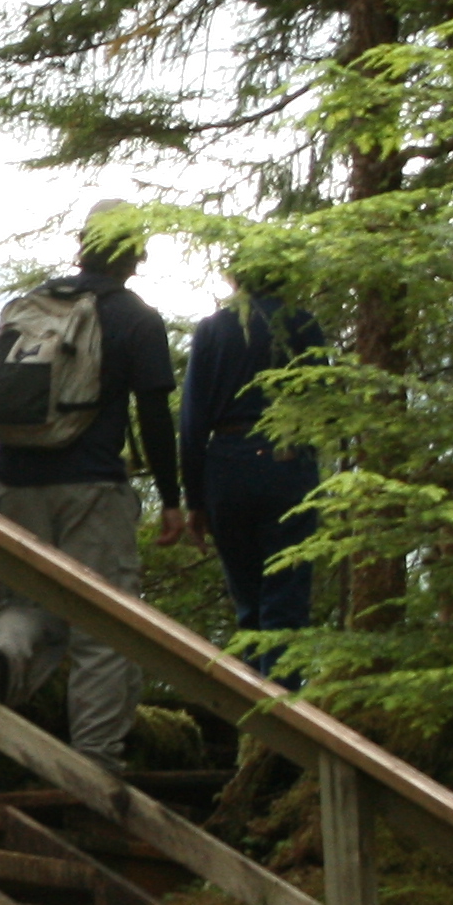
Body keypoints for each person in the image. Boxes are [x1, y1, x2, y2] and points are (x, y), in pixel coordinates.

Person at [0, 222, 183, 772]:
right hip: (91, 487)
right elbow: (156, 418)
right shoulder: (135, 318)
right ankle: (93, 769)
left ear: (85, 248)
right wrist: (172, 498)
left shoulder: (37, 306)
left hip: (13, 483)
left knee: (24, 606)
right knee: (103, 625)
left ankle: (3, 658)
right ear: (134, 256)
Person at [168, 270, 328, 646]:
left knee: (248, 605)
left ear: (234, 278)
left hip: (226, 466)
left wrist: (195, 501)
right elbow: (325, 402)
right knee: (286, 603)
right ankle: (279, 699)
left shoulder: (212, 329)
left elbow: (192, 423)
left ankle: (250, 695)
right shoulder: (302, 324)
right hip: (288, 463)